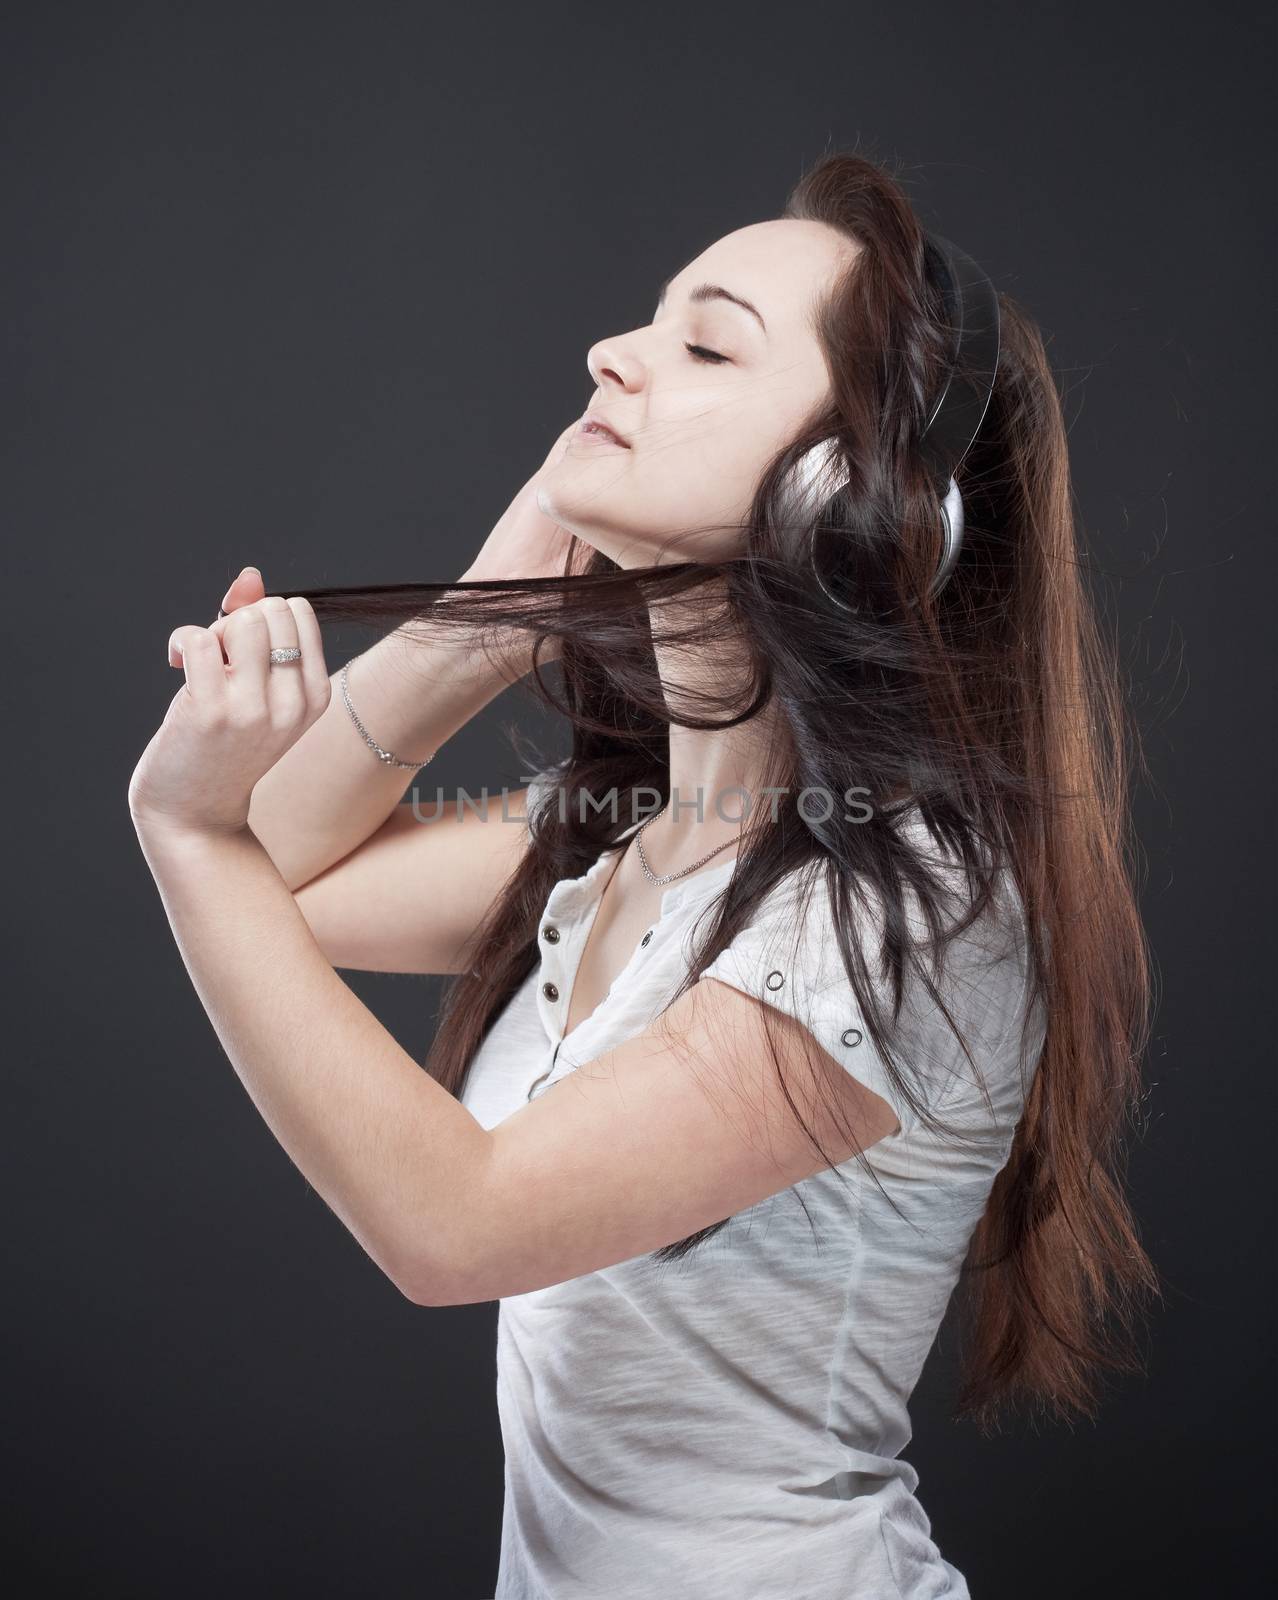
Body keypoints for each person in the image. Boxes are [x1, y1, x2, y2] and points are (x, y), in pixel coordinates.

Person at [130, 151, 1156, 1599]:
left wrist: (180, 824)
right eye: (647, 320)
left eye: (703, 341)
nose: (610, 355)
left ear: (835, 496)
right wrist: (482, 618)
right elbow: (281, 888)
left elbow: (454, 1225)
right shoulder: (622, 831)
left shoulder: (915, 913)